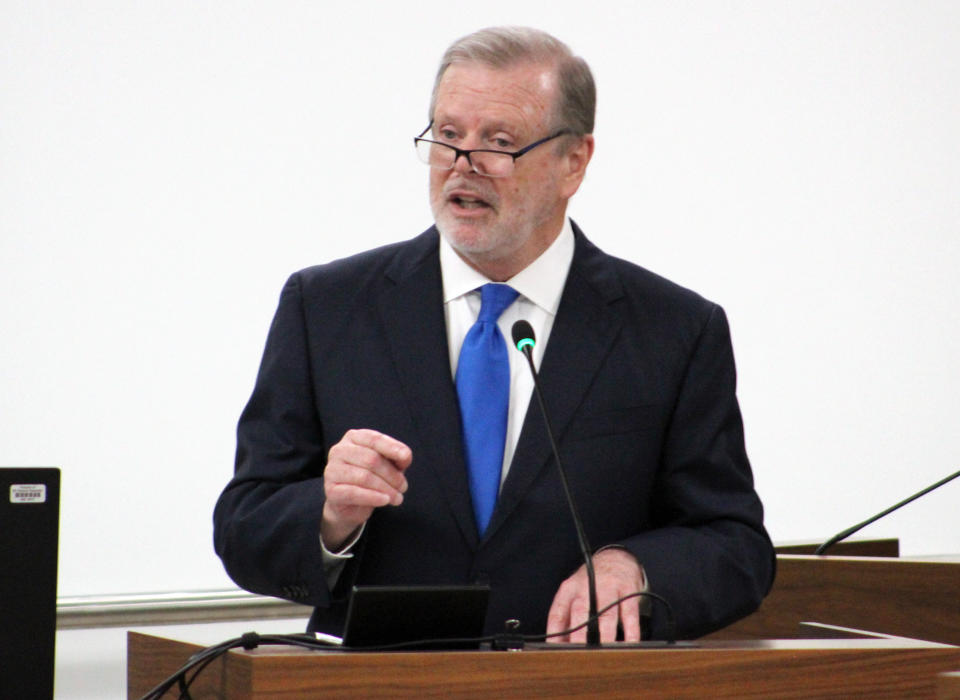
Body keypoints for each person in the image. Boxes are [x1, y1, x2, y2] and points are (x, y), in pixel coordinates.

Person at [213, 26, 775, 643]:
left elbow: (735, 545)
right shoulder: (327, 308)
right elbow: (244, 526)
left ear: (574, 162)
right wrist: (328, 514)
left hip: (576, 686)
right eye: (448, 136)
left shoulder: (674, 330)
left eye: (498, 142)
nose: (462, 163)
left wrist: (637, 566)